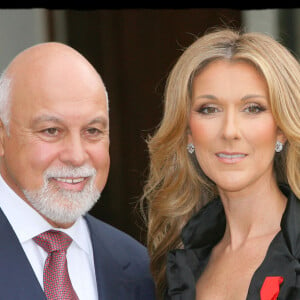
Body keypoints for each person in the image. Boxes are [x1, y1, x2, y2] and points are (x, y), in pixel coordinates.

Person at [141, 26, 300, 300]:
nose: (229, 131)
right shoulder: (178, 262)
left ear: (281, 129)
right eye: (209, 109)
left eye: (252, 108)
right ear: (188, 131)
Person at [0, 41, 155, 300]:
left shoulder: (138, 267)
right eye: (51, 131)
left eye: (92, 131)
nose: (76, 156)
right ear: (3, 136)